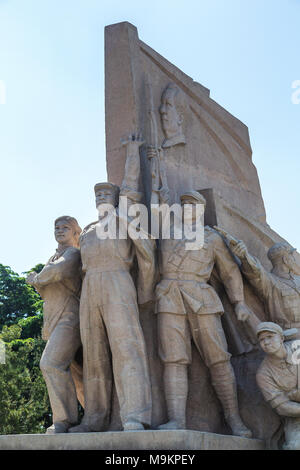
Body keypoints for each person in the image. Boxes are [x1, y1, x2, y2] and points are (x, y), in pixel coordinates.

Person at [148, 183, 252, 437]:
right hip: (169, 297)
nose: (187, 208)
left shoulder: (212, 238)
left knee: (218, 359)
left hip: (202, 298)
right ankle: (176, 420)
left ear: (202, 210)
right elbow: (152, 210)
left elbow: (229, 272)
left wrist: (239, 302)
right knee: (173, 360)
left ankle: (235, 419)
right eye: (183, 204)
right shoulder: (168, 231)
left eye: (192, 204)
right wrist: (157, 189)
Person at [69, 134, 156, 433]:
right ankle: (95, 417)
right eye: (98, 197)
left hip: (118, 281)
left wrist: (132, 149)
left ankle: (135, 416)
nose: (101, 199)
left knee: (126, 348)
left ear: (115, 198)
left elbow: (131, 185)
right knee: (94, 354)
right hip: (91, 285)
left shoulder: (123, 218)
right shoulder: (88, 231)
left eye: (106, 195)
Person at [26, 216, 83, 434]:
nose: (59, 231)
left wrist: (37, 278)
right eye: (56, 228)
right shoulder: (54, 255)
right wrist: (41, 279)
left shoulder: (73, 254)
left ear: (75, 233)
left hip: (70, 318)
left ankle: (64, 420)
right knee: (75, 374)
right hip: (54, 319)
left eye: (65, 228)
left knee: (50, 363)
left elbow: (56, 272)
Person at [214, 230, 300, 332]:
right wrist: (244, 256)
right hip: (288, 335)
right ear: (286, 259)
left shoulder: (298, 280)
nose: (294, 260)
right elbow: (255, 271)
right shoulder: (271, 282)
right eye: (292, 256)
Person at [256, 322, 300, 450]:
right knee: (295, 447)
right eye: (262, 340)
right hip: (296, 417)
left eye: (270, 336)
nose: (266, 342)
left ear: (281, 338)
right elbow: (282, 407)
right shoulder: (263, 373)